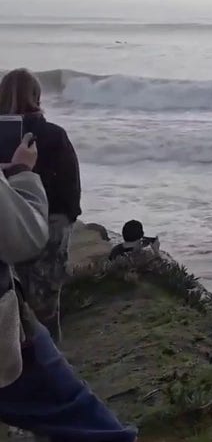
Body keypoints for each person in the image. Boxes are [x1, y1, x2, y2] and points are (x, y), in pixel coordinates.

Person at [0, 134, 137, 441]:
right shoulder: (54, 137)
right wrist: (22, 173)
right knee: (81, 414)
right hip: (7, 334)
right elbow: (26, 236)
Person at [0, 69, 81, 344]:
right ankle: (51, 363)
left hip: (9, 224)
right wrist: (67, 219)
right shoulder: (54, 135)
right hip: (52, 222)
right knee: (46, 304)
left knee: (12, 302)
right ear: (38, 96)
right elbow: (71, 187)